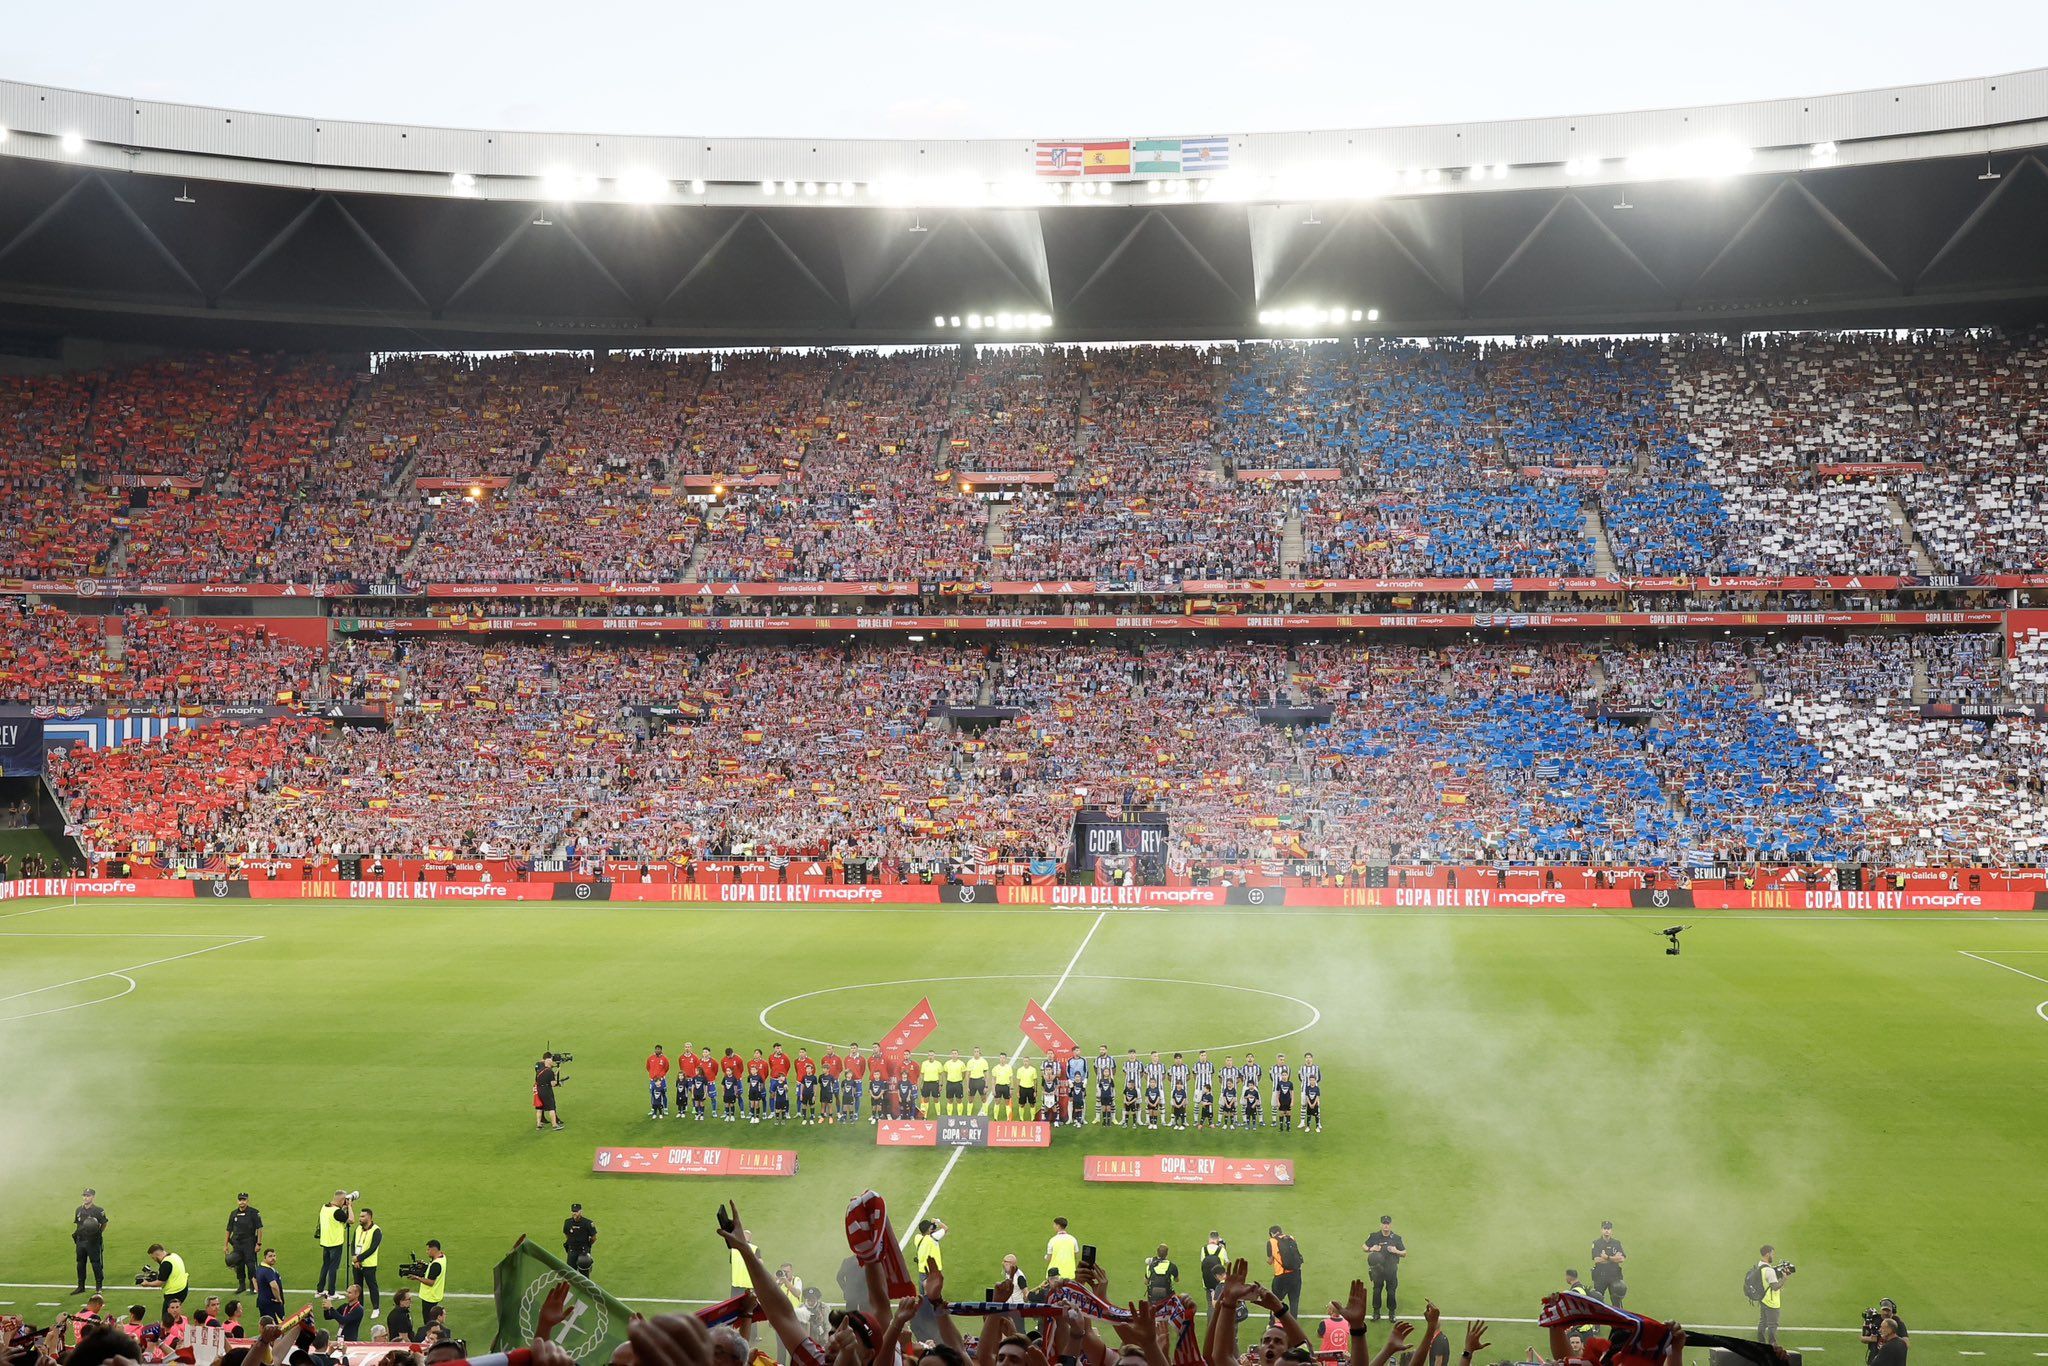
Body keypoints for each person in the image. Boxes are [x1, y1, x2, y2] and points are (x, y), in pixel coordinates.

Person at [1364, 1216, 1405, 1320]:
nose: (1386, 1225)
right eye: (1384, 1223)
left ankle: (1392, 1313)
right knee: (1377, 1290)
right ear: (1381, 1225)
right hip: (1378, 1270)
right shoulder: (1374, 1236)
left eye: (1387, 1223)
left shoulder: (1396, 1238)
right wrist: (1371, 1248)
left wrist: (1396, 1251)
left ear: (1390, 1225)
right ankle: (1376, 1313)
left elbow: (1404, 1253)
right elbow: (1364, 1246)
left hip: (1391, 1269)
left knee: (1391, 1291)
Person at [224, 1193, 264, 1295]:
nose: (242, 1202)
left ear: (247, 1201)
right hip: (237, 1243)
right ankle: (242, 1285)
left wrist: (258, 1243)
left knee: (251, 1265)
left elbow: (259, 1228)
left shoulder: (254, 1213)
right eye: (240, 1200)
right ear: (237, 1201)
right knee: (239, 1265)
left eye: (244, 1200)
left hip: (249, 1243)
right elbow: (229, 1230)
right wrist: (226, 1245)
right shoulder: (233, 1214)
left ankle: (253, 1286)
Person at [1754, 1244, 1794, 1346]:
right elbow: (1775, 1287)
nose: (1773, 1256)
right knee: (1773, 1325)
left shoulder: (1760, 1266)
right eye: (1772, 1254)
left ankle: (1761, 1343)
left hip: (1763, 1299)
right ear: (1767, 1254)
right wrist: (1784, 1278)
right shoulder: (1769, 1270)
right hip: (1771, 1302)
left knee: (1763, 1322)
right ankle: (1773, 1345)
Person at [72, 1187, 109, 1295]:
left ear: (93, 1197)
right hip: (80, 1241)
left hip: (93, 1242)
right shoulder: (78, 1210)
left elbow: (104, 1223)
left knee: (96, 1263)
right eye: (84, 1195)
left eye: (88, 1196)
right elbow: (78, 1225)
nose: (86, 1197)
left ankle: (99, 1286)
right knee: (80, 1263)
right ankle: (81, 1286)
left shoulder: (98, 1210)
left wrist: (98, 1234)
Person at [315, 1191, 353, 1296]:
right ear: (342, 1200)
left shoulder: (324, 1207)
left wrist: (344, 1208)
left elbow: (337, 1217)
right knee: (333, 1268)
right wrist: (349, 1207)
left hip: (325, 1242)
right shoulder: (336, 1212)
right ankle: (331, 1293)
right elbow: (351, 1220)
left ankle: (320, 1290)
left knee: (325, 1266)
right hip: (335, 1243)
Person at [138, 1243, 189, 1318]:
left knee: (166, 1318)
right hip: (183, 1287)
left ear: (156, 1254)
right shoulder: (174, 1256)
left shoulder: (166, 1263)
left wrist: (147, 1284)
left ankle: (171, 1329)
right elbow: (170, 1272)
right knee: (175, 1314)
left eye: (153, 1258)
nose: (154, 1260)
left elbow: (160, 1283)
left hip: (174, 1292)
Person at [403, 1240, 445, 1323]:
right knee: (432, 1321)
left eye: (428, 1250)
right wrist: (425, 1265)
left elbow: (430, 1282)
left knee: (428, 1322)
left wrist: (417, 1278)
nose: (427, 1252)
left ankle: (430, 1334)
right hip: (435, 1294)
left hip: (430, 1297)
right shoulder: (442, 1257)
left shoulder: (436, 1265)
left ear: (434, 1250)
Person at [352, 1207, 384, 1316]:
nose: (360, 1218)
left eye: (362, 1216)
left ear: (369, 1217)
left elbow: (373, 1248)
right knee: (357, 1287)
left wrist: (358, 1258)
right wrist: (354, 1258)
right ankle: (359, 1308)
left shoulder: (376, 1231)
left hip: (369, 1265)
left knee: (372, 1286)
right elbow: (353, 1244)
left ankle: (376, 1308)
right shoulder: (358, 1229)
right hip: (356, 1264)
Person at [1267, 1225, 1303, 1319]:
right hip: (1296, 1274)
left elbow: (1270, 1261)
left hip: (1281, 1276)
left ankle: (1272, 1323)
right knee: (1294, 1301)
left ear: (1271, 1234)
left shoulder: (1271, 1241)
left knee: (1276, 1301)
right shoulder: (1291, 1238)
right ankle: (1294, 1324)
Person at [1588, 1221, 1626, 1307]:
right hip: (1600, 1276)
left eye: (1608, 1229)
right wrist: (1614, 1258)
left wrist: (1607, 1257)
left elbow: (1622, 1258)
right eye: (1605, 1228)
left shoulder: (1616, 1243)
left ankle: (1617, 1319)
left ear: (1611, 1231)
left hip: (1614, 1276)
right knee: (1597, 1301)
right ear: (1601, 1230)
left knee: (1616, 1301)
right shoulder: (1596, 1243)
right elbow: (1597, 1259)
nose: (1606, 1231)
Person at [1862, 1299, 1908, 1365]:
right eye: (1884, 1310)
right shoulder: (1875, 1320)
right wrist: (1872, 1338)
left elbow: (1906, 1343)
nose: (1885, 1313)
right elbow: (1863, 1338)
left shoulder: (1898, 1323)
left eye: (1888, 1310)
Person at [563, 1203, 598, 1274]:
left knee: (584, 1274)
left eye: (576, 1211)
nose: (574, 1213)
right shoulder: (567, 1222)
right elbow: (567, 1235)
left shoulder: (588, 1223)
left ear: (580, 1212)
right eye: (573, 1211)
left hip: (583, 1251)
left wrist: (587, 1245)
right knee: (570, 1273)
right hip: (572, 1251)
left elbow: (593, 1238)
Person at [253, 1248, 286, 1323]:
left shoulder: (260, 1267)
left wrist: (259, 1291)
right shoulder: (268, 1271)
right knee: (277, 1326)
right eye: (270, 1256)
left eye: (274, 1256)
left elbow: (253, 1279)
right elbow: (274, 1286)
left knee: (266, 1324)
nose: (273, 1258)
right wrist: (278, 1299)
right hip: (272, 1304)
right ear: (265, 1257)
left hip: (262, 1302)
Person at [535, 1054, 564, 1131]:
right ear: (548, 1063)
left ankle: (539, 1124)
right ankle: (554, 1125)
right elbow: (552, 1084)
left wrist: (556, 1072)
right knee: (552, 1108)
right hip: (546, 1090)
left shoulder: (539, 1071)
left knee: (539, 1108)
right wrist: (558, 1083)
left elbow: (541, 1079)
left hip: (538, 1089)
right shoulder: (549, 1071)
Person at [1199, 1232, 1229, 1307]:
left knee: (1210, 1305)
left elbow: (1203, 1261)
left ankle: (1211, 1318)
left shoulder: (1203, 1249)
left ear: (1209, 1239)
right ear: (1218, 1239)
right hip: (1219, 1281)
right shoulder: (1221, 1250)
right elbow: (1227, 1263)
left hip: (1207, 1281)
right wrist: (1224, 1248)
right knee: (1221, 1304)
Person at [647, 1045, 671, 1119]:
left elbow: (667, 1068)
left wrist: (661, 1075)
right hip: (653, 1080)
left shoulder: (664, 1059)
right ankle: (653, 1109)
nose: (657, 1050)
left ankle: (665, 1108)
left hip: (661, 1080)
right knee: (653, 1094)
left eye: (659, 1049)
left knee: (663, 1094)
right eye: (656, 1049)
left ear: (661, 1050)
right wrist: (652, 1074)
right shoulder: (650, 1058)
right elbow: (648, 1067)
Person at [991, 1052, 1015, 1121]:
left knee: (1007, 1103)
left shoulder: (1009, 1067)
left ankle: (1008, 1118)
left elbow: (1011, 1078)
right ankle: (995, 1118)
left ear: (1006, 1059)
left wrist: (1011, 1088)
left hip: (1006, 1087)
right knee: (997, 1102)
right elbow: (993, 1079)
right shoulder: (995, 1068)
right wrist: (993, 1089)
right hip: (998, 1086)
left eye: (1003, 1058)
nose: (1002, 1059)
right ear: (999, 1058)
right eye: (1001, 1058)